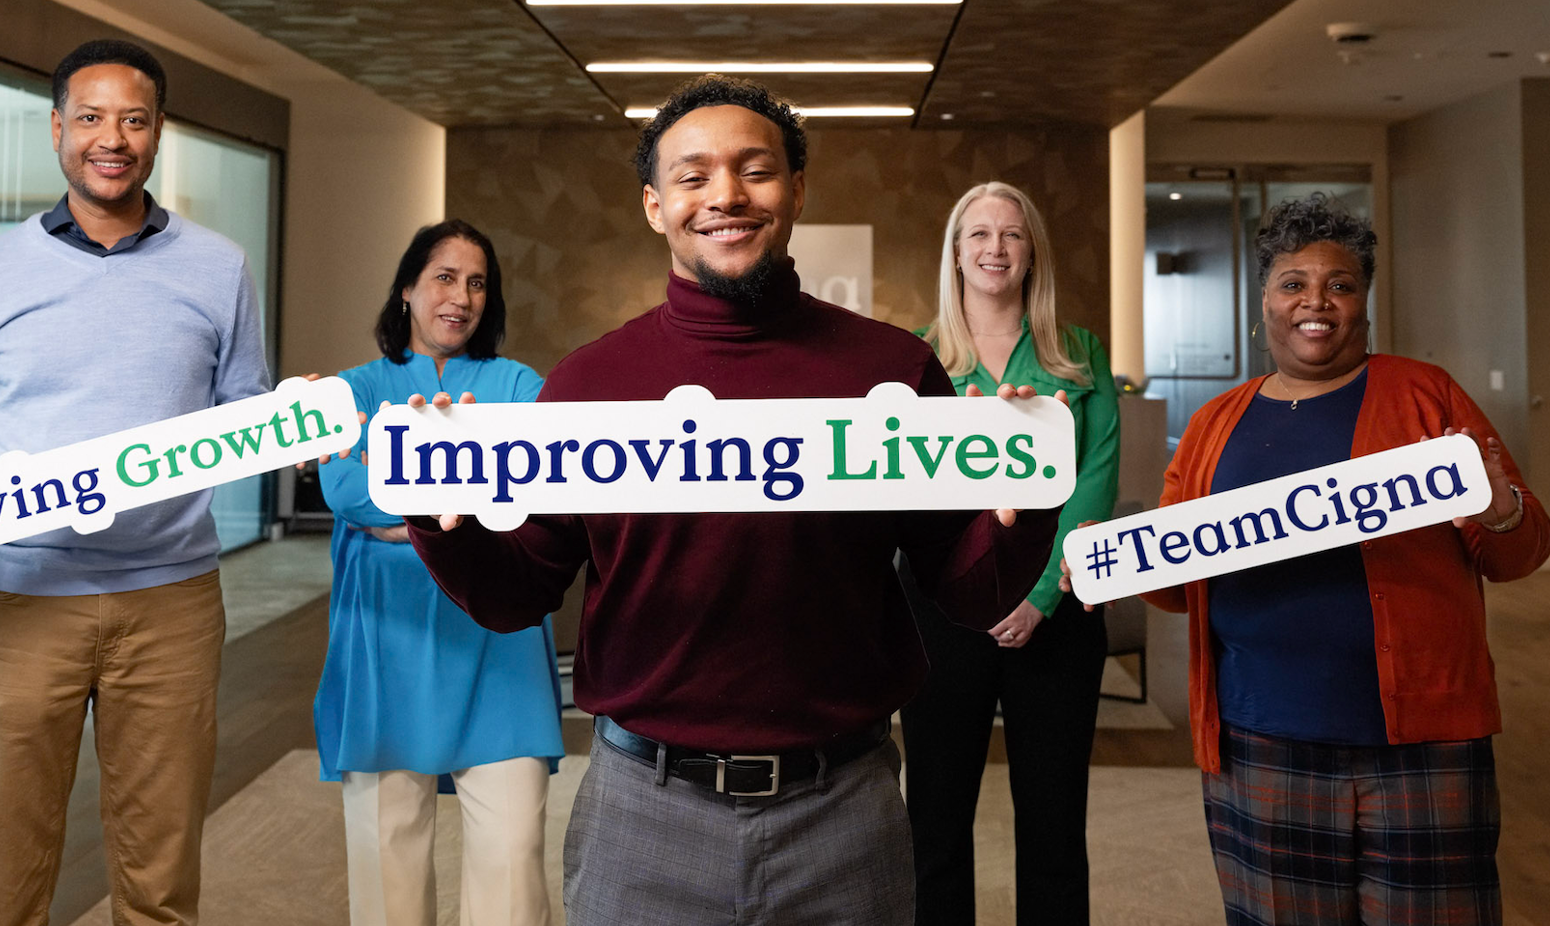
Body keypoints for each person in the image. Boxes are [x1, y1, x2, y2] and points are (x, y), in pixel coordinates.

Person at [397, 76, 1064, 926]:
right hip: (644, 807)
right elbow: (517, 592)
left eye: (756, 170)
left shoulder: (888, 370)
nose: (725, 197)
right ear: (653, 205)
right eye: (693, 176)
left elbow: (969, 591)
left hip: (846, 807)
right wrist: (442, 524)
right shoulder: (588, 385)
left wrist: (1021, 509)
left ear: (794, 193)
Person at [1066, 194, 1550, 925]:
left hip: (1420, 738)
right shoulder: (1213, 424)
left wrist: (1500, 508)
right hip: (1260, 735)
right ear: (1264, 299)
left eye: (1340, 284)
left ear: (1363, 302)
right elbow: (1178, 584)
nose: (1315, 301)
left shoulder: (1427, 397)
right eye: (1293, 283)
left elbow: (1519, 552)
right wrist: (1117, 563)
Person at [0, 39, 276, 924]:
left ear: (158, 134)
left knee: (161, 862)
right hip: (19, 595)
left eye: (134, 120)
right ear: (58, 128)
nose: (114, 138)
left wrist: (288, 420)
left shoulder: (219, 267)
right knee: (10, 859)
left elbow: (242, 415)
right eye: (93, 118)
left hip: (172, 601)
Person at [315, 219, 563, 926]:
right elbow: (346, 494)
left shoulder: (521, 385)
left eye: (478, 282)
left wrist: (400, 516)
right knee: (386, 864)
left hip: (499, 642)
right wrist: (463, 509)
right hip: (383, 643)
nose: (462, 296)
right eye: (444, 278)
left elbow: (531, 497)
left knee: (513, 867)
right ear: (406, 290)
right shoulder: (351, 390)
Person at [902, 182, 1118, 926]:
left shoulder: (1079, 352)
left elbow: (1095, 481)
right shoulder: (915, 361)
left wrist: (1040, 600)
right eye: (979, 235)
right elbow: (908, 504)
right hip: (939, 618)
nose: (996, 249)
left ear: (1033, 254)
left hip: (1055, 612)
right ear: (956, 254)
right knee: (934, 817)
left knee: (1054, 824)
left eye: (1013, 235)